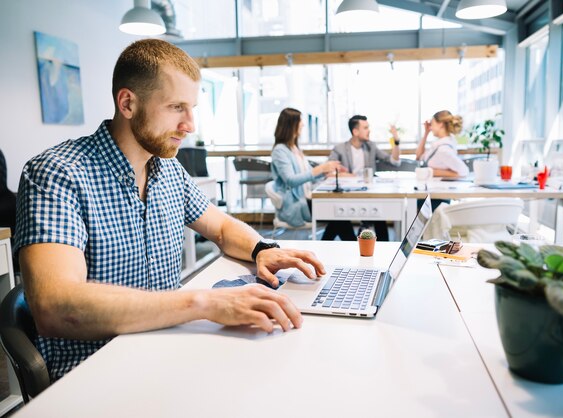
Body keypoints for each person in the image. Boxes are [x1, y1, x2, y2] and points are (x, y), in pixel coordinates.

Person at [14, 39, 326, 382]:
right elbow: (55, 306)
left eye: (191, 108)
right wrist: (205, 303)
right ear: (128, 103)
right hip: (93, 373)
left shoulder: (168, 170)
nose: (190, 125)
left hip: (166, 351)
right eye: (177, 107)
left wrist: (262, 250)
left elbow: (221, 227)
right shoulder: (57, 174)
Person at [270, 107, 349, 230]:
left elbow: (308, 177)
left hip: (307, 199)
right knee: (338, 216)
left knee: (339, 217)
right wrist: (321, 169)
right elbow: (291, 180)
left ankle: (329, 246)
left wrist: (326, 171)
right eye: (300, 120)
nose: (303, 124)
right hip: (296, 204)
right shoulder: (280, 150)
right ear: (291, 125)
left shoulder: (295, 149)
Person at [326, 115, 401, 241]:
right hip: (348, 196)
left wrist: (396, 140)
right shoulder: (340, 149)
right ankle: (349, 244)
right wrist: (352, 176)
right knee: (338, 220)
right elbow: (329, 172)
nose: (369, 130)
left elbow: (394, 161)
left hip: (369, 193)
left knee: (379, 217)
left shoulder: (370, 146)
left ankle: (385, 249)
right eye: (365, 128)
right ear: (355, 131)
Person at [415, 110, 469, 178]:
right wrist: (426, 133)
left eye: (432, 123)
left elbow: (463, 172)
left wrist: (431, 172)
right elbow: (419, 156)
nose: (431, 127)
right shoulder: (439, 145)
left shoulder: (443, 149)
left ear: (440, 124)